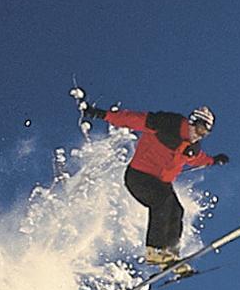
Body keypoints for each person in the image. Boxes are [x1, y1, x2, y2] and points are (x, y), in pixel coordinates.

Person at [80, 103, 229, 268]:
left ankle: (170, 255)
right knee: (162, 202)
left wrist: (214, 160)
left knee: (177, 210)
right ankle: (154, 250)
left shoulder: (192, 147)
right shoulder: (166, 123)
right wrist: (103, 115)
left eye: (205, 134)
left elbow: (198, 158)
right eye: (200, 130)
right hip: (139, 177)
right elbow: (134, 120)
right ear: (192, 121)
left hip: (161, 183)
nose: (200, 136)